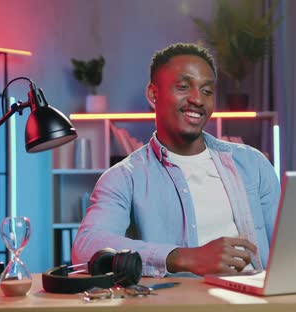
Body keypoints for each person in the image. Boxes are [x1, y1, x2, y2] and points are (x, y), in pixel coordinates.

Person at [72, 43, 280, 277]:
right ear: (153, 94)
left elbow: (287, 246)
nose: (197, 100)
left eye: (207, 91)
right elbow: (86, 246)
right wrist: (182, 257)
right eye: (183, 87)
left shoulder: (253, 163)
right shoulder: (124, 177)